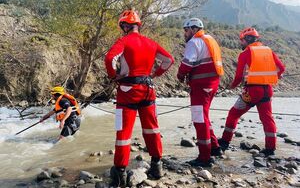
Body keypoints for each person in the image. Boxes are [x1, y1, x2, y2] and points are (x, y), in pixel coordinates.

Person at [105, 10, 174, 187]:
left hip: (128, 91)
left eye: (123, 26)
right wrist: (155, 74)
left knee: (123, 132)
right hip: (148, 89)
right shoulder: (150, 43)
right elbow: (169, 60)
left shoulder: (124, 41)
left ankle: (120, 173)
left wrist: (114, 76)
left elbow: (110, 58)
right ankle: (156, 165)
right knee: (152, 128)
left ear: (126, 26)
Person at [218, 27, 285, 156]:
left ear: (247, 39)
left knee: (233, 114)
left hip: (252, 91)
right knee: (267, 119)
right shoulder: (268, 50)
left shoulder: (245, 53)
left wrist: (232, 86)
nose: (241, 43)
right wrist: (278, 75)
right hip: (267, 90)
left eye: (242, 40)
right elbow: (281, 68)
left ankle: (225, 142)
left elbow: (238, 77)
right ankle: (270, 149)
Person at [177, 18, 224, 167]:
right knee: (204, 117)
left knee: (199, 120)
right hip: (212, 85)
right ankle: (215, 148)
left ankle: (204, 156)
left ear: (193, 29)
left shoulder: (194, 42)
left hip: (201, 87)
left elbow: (188, 62)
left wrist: (180, 75)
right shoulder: (210, 39)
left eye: (186, 30)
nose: (184, 33)